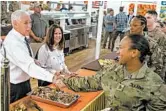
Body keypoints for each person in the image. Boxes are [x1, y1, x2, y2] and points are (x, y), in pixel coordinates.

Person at [61, 34, 166, 110]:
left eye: (120, 48)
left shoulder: (155, 85)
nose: (117, 52)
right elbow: (90, 82)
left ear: (134, 52)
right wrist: (64, 81)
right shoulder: (112, 70)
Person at [0, 10, 60, 103]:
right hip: (15, 88)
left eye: (30, 23)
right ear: (15, 23)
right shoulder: (13, 43)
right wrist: (52, 77)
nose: (29, 26)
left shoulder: (21, 37)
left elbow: (28, 60)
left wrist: (37, 63)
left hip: (24, 83)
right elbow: (29, 66)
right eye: (25, 23)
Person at [145, 10, 166, 81]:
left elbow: (162, 55)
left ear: (155, 19)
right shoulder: (143, 32)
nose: (146, 19)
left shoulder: (161, 35)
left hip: (154, 68)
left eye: (149, 18)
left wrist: (160, 74)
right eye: (145, 17)